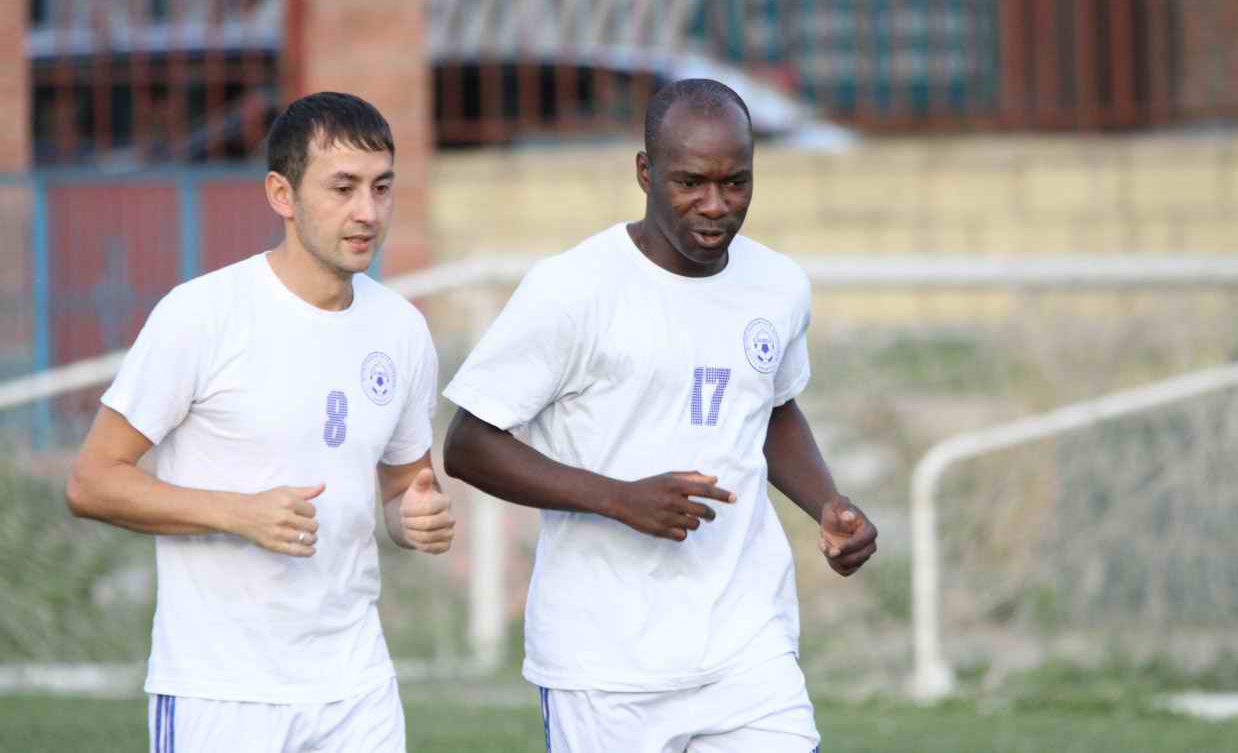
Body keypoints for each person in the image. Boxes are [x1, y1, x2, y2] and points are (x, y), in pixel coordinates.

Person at [442, 78, 878, 752]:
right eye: (690, 183)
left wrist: (827, 505)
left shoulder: (778, 285)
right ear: (645, 172)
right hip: (604, 663)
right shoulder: (573, 289)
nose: (716, 205)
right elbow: (469, 444)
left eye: (735, 182)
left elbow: (770, 408)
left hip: (746, 646)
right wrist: (617, 498)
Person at [67, 91, 455, 753]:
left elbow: (403, 489)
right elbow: (91, 482)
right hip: (221, 688)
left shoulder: (402, 330)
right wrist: (239, 513)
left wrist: (415, 518)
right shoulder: (202, 314)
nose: (367, 211)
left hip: (356, 684)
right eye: (343, 188)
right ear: (282, 194)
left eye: (381, 187)